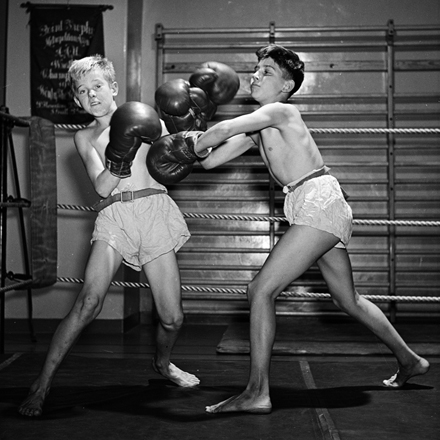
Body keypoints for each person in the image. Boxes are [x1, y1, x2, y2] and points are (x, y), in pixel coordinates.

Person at [147, 44, 430, 415]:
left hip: (317, 199)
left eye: (266, 71)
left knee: (260, 290)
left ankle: (257, 392)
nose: (255, 75)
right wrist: (190, 138)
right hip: (309, 203)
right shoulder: (259, 127)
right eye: (255, 69)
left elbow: (224, 130)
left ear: (286, 86)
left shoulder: (280, 111)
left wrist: (196, 136)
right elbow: (212, 159)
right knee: (348, 300)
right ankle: (410, 359)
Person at [18, 55, 199, 417]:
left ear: (113, 87)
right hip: (114, 214)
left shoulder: (148, 117)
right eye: (83, 91)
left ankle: (163, 364)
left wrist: (192, 132)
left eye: (97, 86)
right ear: (77, 101)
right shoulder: (83, 137)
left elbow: (177, 160)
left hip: (153, 210)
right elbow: (102, 187)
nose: (91, 95)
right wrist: (121, 154)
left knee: (172, 318)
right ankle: (41, 384)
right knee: (88, 303)